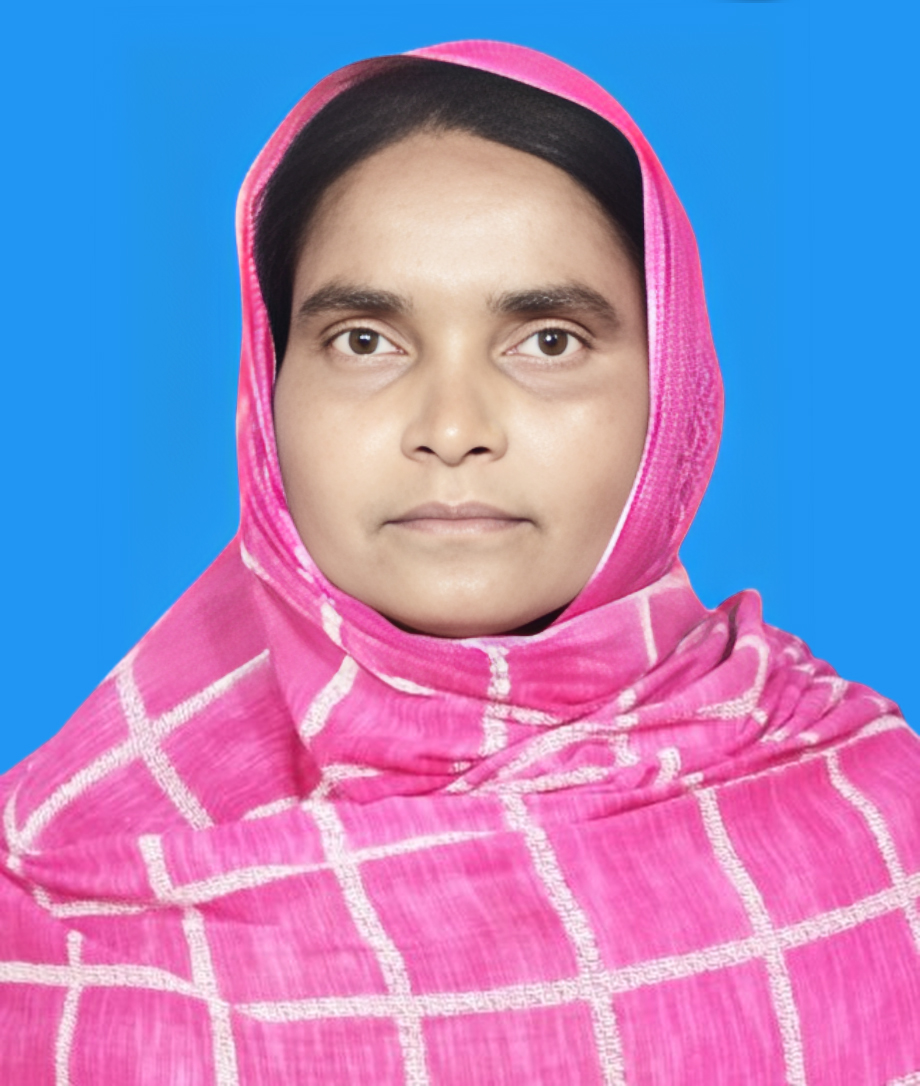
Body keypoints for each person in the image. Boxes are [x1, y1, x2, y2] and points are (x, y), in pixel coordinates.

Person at [1, 39, 918, 1085]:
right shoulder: (54, 895)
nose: (450, 429)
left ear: (671, 392)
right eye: (364, 340)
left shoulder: (880, 840)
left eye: (548, 341)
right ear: (267, 391)